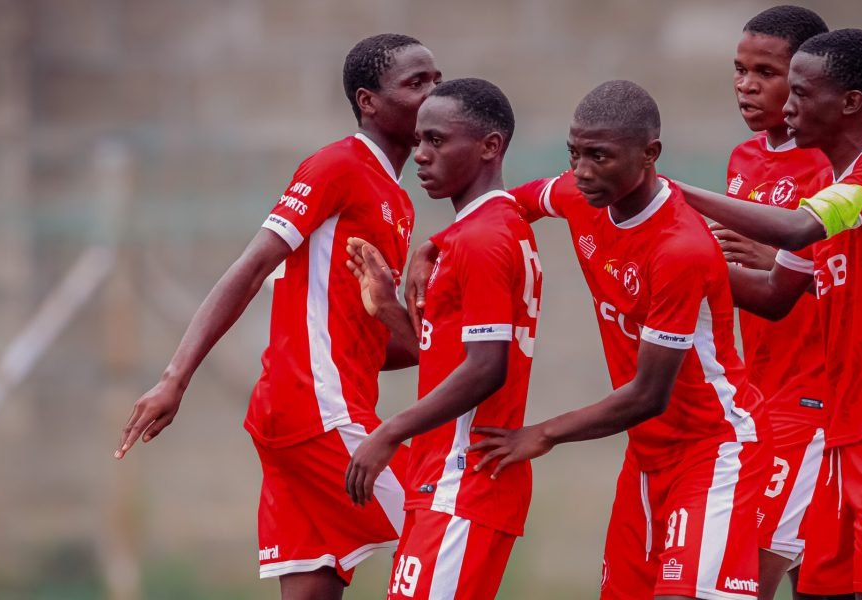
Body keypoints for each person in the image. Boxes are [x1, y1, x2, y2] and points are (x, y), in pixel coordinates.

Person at [113, 34, 442, 599]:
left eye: (437, 80)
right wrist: (175, 378)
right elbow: (250, 265)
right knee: (442, 516)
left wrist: (406, 320)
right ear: (368, 100)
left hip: (314, 409)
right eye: (416, 83)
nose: (434, 93)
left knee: (313, 591)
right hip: (316, 407)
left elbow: (384, 342)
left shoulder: (401, 200)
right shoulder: (337, 166)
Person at [433, 80, 774, 600]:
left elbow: (647, 394)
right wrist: (437, 247)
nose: (582, 170)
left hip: (714, 452)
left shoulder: (680, 248)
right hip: (646, 458)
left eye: (599, 156)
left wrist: (543, 433)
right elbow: (504, 207)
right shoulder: (581, 194)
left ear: (649, 154)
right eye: (574, 154)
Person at [678, 29, 862, 598]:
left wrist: (661, 190)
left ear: (850, 102)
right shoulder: (832, 182)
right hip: (842, 427)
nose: (786, 106)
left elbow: (798, 227)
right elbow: (776, 294)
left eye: (800, 93)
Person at [344, 78, 541, 600]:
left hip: (464, 484)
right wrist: (388, 309)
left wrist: (389, 433)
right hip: (441, 483)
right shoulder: (478, 232)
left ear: (490, 147)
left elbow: (485, 367)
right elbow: (450, 356)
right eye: (419, 141)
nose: (422, 155)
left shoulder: (483, 239)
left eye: (437, 141)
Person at [722, 7, 833, 599]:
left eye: (766, 71)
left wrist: (785, 264)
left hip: (811, 400)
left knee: (745, 575)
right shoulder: (744, 160)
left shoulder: (834, 168)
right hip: (761, 393)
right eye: (740, 69)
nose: (747, 83)